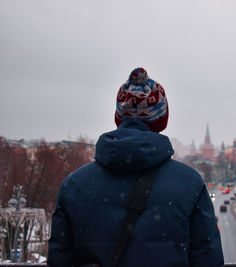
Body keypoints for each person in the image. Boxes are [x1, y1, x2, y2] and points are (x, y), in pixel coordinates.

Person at [48, 68, 224, 267]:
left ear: (118, 117)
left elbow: (59, 260)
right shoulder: (190, 184)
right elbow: (208, 259)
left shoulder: (74, 185)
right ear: (162, 120)